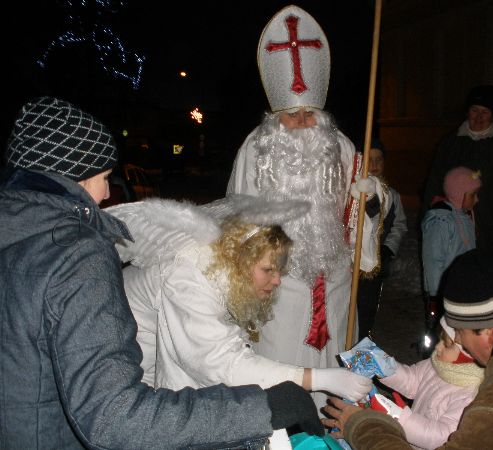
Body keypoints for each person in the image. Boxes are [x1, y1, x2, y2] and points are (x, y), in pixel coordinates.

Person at [0, 96, 324, 449]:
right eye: (104, 177)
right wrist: (262, 409)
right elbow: (115, 416)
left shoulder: (17, 232)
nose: (107, 193)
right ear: (73, 172)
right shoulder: (78, 252)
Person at [227, 5, 383, 410]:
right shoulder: (256, 149)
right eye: (291, 114)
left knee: (337, 376)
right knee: (279, 381)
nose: (301, 121)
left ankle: (335, 428)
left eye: (309, 113)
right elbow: (238, 220)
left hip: (336, 288)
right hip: (277, 292)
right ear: (275, 116)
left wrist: (368, 199)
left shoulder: (342, 147)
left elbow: (360, 218)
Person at [322, 249, 493, 449]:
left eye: (461, 333)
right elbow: (414, 378)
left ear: (488, 330)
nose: (461, 344)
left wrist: (364, 425)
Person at [106, 197, 372, 401]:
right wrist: (317, 379)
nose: (278, 280)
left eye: (280, 271)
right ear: (241, 260)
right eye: (268, 270)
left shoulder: (225, 272)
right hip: (117, 350)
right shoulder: (188, 277)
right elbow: (218, 363)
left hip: (144, 350)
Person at [422, 85, 493, 260]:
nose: (478, 117)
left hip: (489, 227)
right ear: (467, 112)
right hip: (451, 224)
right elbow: (434, 183)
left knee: (482, 269)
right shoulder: (451, 144)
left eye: (485, 112)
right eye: (474, 110)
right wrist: (428, 218)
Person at [372, 315, 483, 449]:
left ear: (467, 356)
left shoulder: (468, 396)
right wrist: (382, 365)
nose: (438, 347)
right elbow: (411, 380)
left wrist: (403, 419)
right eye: (440, 340)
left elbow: (443, 436)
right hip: (409, 438)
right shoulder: (436, 364)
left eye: (446, 345)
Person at [357, 138, 408, 339]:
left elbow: (399, 225)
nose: (375, 164)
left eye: (379, 159)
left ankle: (362, 341)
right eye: (370, 159)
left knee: (368, 307)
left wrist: (388, 248)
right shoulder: (355, 191)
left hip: (375, 264)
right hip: (353, 262)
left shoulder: (391, 195)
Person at [421, 166, 481, 326]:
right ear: (459, 194)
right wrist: (435, 294)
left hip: (461, 287)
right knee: (441, 330)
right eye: (473, 195)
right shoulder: (441, 221)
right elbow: (433, 259)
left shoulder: (464, 217)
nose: (477, 200)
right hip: (443, 291)